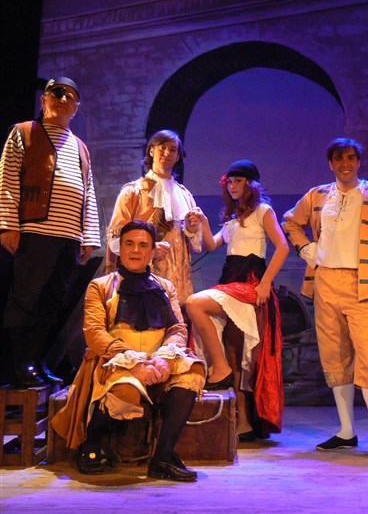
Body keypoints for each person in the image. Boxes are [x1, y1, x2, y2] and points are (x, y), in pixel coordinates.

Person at [282, 137, 368, 460]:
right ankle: (346, 431)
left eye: (351, 158)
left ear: (358, 162)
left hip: (362, 284)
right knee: (334, 357)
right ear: (331, 163)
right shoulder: (317, 194)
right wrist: (306, 248)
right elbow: (290, 222)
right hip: (325, 282)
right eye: (339, 158)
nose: (345, 164)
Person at [51, 220, 205, 481]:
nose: (135, 250)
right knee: (126, 389)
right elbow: (95, 333)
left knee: (192, 374)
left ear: (152, 251)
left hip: (158, 362)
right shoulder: (100, 286)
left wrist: (164, 359)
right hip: (116, 363)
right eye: (129, 244)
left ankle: (163, 458)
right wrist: (134, 364)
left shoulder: (165, 287)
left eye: (143, 245)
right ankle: (92, 443)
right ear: (119, 248)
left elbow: (178, 328)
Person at [0, 76, 100, 388]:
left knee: (53, 301)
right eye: (56, 92)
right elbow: (7, 180)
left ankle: (37, 361)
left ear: (76, 107)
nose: (63, 98)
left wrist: (89, 236)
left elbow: (88, 192)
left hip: (68, 236)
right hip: (35, 231)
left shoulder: (81, 147)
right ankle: (20, 364)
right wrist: (8, 224)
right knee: (26, 296)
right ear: (44, 100)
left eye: (70, 95)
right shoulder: (24, 132)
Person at [187, 160, 288, 441]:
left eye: (238, 181)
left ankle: (218, 368)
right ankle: (243, 423)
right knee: (236, 352)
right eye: (229, 181)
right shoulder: (232, 220)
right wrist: (203, 221)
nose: (232, 186)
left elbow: (282, 246)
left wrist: (265, 283)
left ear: (250, 184)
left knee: (194, 303)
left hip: (250, 284)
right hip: (230, 282)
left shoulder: (263, 211)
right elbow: (211, 245)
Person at [105, 129, 202, 309]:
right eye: (162, 147)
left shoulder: (185, 195)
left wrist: (192, 229)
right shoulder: (132, 192)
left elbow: (193, 246)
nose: (167, 152)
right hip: (144, 279)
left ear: (178, 157)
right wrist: (148, 250)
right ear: (151, 151)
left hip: (180, 283)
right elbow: (115, 240)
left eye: (172, 149)